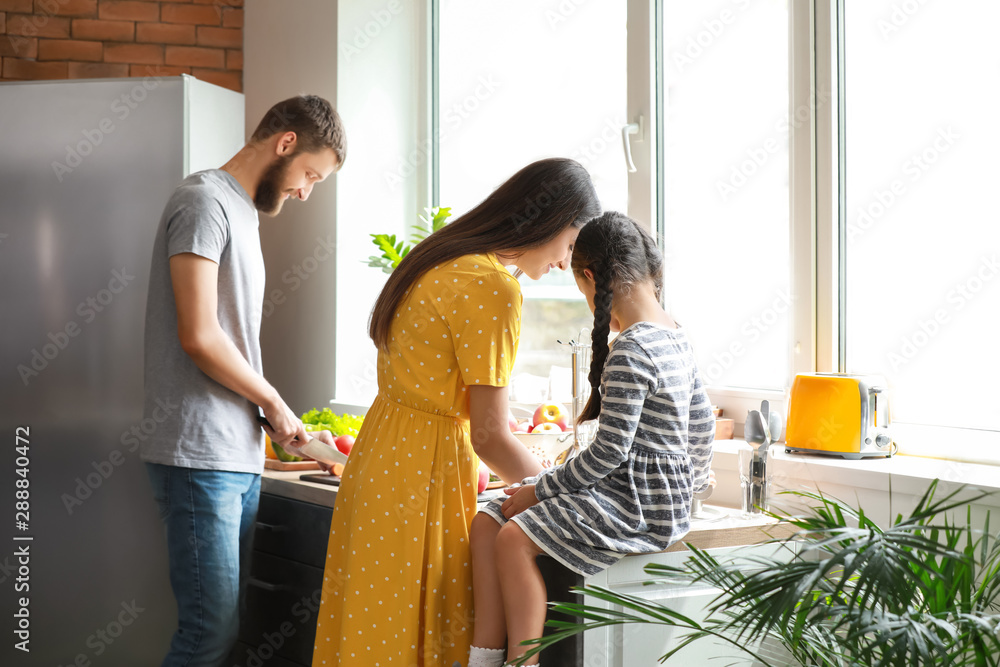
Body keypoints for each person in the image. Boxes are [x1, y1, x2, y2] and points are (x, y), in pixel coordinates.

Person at [310, 158, 601, 667]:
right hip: (425, 480)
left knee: (376, 637)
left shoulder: (443, 257)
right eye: (570, 246)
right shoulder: (494, 287)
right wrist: (558, 487)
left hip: (380, 466)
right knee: (423, 643)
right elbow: (489, 436)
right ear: (547, 221)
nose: (564, 264)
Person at [141, 95, 346, 666]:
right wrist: (275, 402)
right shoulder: (203, 201)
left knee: (225, 632)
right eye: (310, 173)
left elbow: (229, 343)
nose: (306, 191)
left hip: (235, 454)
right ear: (285, 143)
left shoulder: (243, 213)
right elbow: (199, 336)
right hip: (197, 453)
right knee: (208, 632)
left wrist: (269, 423)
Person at [468, 211, 716, 666]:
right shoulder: (676, 335)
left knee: (512, 538)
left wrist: (539, 488)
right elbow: (701, 424)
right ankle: (481, 656)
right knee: (489, 519)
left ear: (589, 277)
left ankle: (520, 662)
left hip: (637, 503)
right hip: (656, 498)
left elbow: (608, 453)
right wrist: (693, 487)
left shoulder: (633, 349)